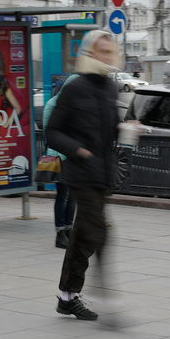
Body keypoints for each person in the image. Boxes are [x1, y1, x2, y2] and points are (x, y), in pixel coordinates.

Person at [45, 29, 121, 320]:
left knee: (83, 237)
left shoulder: (111, 87)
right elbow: (53, 131)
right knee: (100, 234)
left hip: (102, 174)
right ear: (89, 54)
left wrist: (127, 129)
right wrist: (78, 150)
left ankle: (67, 297)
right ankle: (108, 298)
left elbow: (111, 128)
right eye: (101, 52)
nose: (107, 57)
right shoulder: (75, 87)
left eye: (110, 52)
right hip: (80, 173)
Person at [42, 73, 78, 249]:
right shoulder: (52, 105)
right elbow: (51, 133)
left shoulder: (76, 108)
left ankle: (70, 229)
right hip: (59, 157)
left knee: (72, 197)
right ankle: (60, 232)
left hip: (73, 157)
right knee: (63, 196)